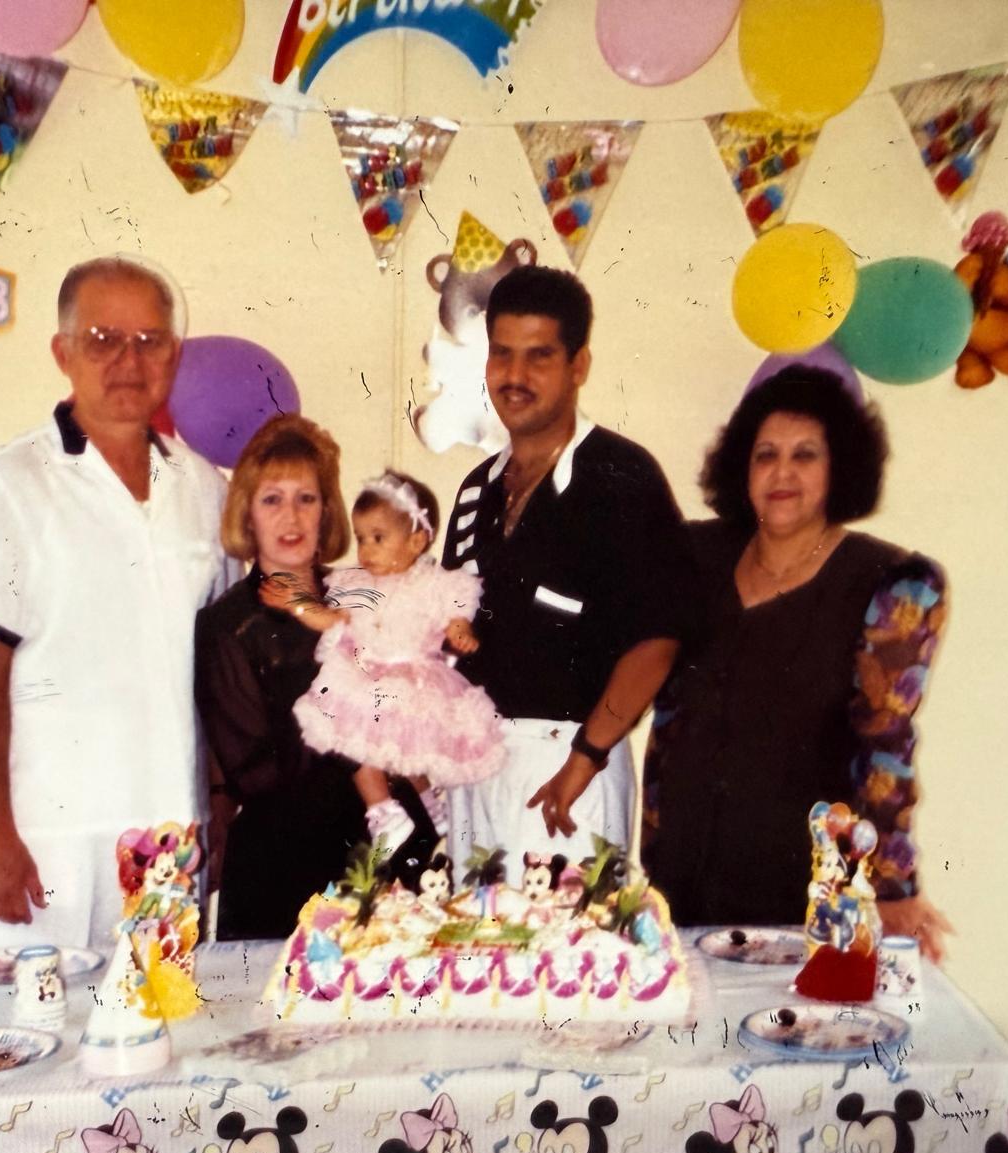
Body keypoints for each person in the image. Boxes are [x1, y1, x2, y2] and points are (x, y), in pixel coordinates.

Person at [0, 256, 236, 949]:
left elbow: (217, 673)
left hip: (170, 836)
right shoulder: (7, 484)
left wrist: (218, 807)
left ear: (174, 355)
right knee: (45, 1040)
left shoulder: (204, 490)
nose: (128, 361)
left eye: (149, 340)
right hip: (53, 839)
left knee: (165, 1038)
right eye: (102, 339)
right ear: (62, 353)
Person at [641, 365, 955, 960]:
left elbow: (886, 746)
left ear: (840, 468)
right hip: (679, 877)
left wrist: (893, 889)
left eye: (805, 455)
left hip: (805, 889)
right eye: (766, 455)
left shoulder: (893, 583)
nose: (782, 473)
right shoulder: (694, 557)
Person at [441, 266, 691, 882]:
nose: (515, 377)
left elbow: (657, 638)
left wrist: (586, 759)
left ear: (578, 365)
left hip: (570, 769)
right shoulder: (477, 489)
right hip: (473, 769)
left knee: (573, 966)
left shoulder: (621, 476)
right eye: (502, 354)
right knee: (474, 960)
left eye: (539, 357)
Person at [194, 417, 436, 940]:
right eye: (272, 499)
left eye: (307, 498)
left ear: (327, 510)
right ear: (247, 515)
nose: (291, 516)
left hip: (388, 854)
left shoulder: (365, 593)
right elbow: (254, 771)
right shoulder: (227, 624)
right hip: (286, 869)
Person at [281, 470, 506, 805]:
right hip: (362, 676)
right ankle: (382, 811)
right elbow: (332, 619)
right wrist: (295, 603)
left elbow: (457, 605)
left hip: (411, 680)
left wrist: (460, 628)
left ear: (416, 541)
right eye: (361, 539)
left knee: (406, 750)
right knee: (364, 752)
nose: (366, 551)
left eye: (378, 538)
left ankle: (427, 802)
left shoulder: (433, 583)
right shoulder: (355, 583)